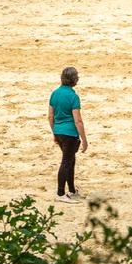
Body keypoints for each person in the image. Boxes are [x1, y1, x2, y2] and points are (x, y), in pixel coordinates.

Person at [48, 66, 89, 204]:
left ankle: (72, 190)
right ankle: (60, 193)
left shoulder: (54, 94)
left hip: (58, 131)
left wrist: (54, 133)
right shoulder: (73, 96)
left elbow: (50, 116)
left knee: (70, 160)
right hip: (70, 134)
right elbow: (78, 120)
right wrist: (84, 140)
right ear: (74, 79)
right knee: (66, 161)